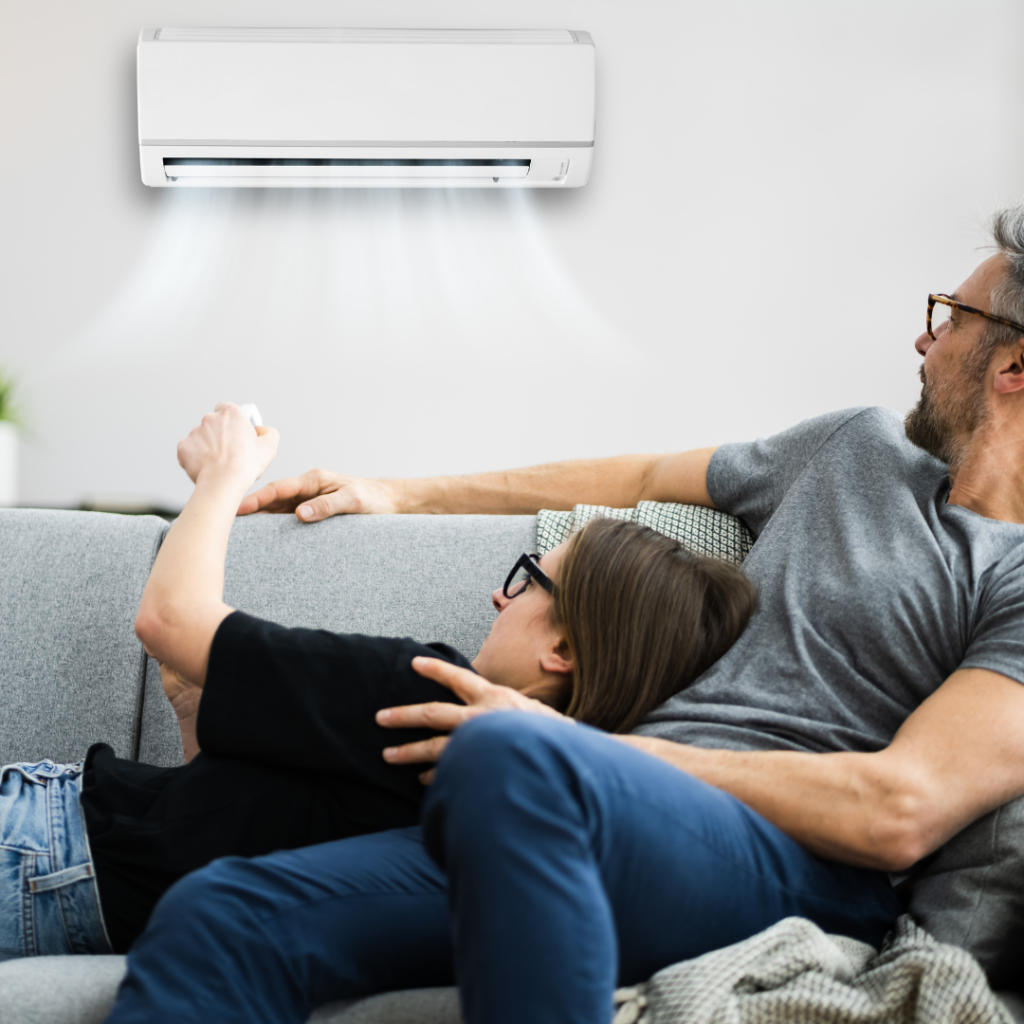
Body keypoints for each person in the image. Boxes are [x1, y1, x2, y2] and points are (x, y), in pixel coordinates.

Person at [100, 204, 1024, 1024]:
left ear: (1012, 364)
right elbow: (638, 475)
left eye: (949, 319)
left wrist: (588, 752)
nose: (923, 342)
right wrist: (401, 492)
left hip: (786, 866)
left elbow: (899, 810)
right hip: (573, 815)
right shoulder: (849, 447)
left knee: (511, 752)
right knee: (219, 916)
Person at [0, 407, 755, 962]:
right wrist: (195, 707)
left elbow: (169, 618)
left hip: (46, 845)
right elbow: (232, 834)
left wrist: (222, 473)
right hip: (68, 866)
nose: (500, 597)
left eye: (527, 582)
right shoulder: (513, 795)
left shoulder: (423, 685)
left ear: (562, 648)